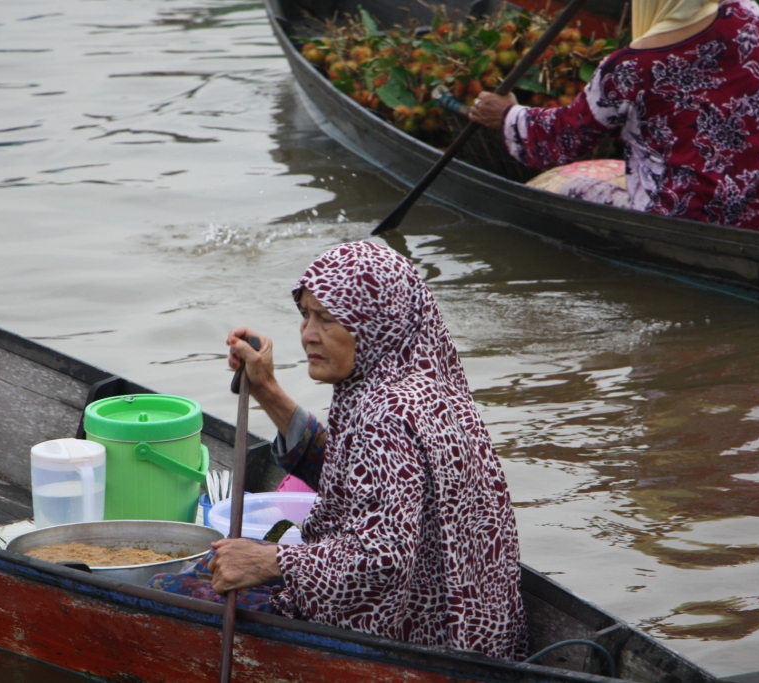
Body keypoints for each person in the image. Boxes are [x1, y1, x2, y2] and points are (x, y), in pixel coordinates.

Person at [149, 241, 528, 661]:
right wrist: (267, 389)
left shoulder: (386, 414)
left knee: (173, 587)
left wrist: (270, 560)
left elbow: (382, 558)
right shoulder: (426, 381)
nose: (308, 333)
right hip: (469, 629)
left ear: (375, 323)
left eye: (326, 318)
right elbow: (354, 479)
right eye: (305, 315)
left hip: (414, 636)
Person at [468, 0, 759, 238]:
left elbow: (560, 140)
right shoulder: (749, 15)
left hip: (687, 222)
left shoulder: (628, 67)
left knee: (570, 188)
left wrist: (507, 114)